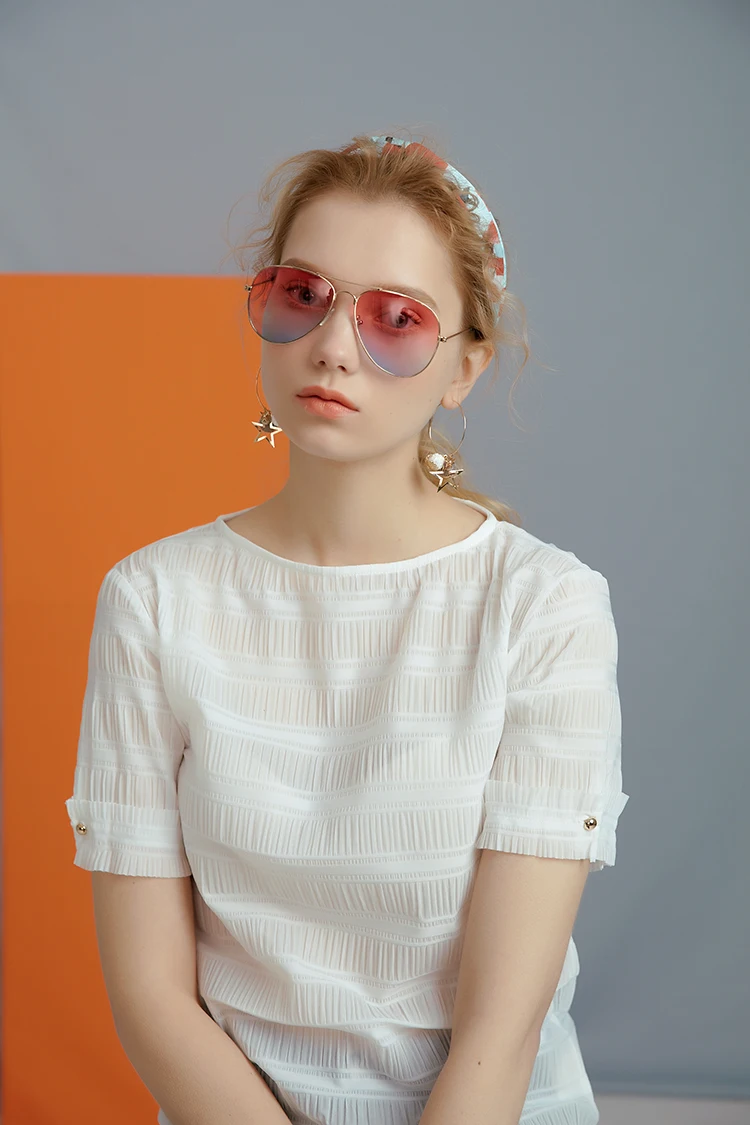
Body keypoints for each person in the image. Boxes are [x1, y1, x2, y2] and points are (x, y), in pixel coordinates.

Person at [65, 133, 630, 1125]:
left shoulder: (544, 607)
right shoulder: (152, 600)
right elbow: (151, 999)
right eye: (302, 295)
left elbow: (498, 1036)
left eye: (397, 319)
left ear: (464, 369)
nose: (332, 346)